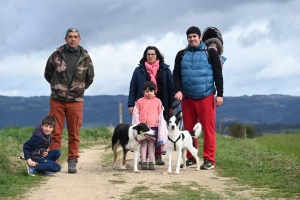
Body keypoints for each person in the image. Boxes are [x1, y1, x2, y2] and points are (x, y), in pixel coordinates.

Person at [44, 28, 95, 173]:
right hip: (57, 100)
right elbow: (48, 74)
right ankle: (52, 162)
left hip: (76, 100)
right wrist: (58, 87)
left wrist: (78, 89)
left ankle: (72, 161)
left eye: (75, 37)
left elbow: (90, 78)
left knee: (74, 133)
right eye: (70, 37)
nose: (73, 39)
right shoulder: (56, 55)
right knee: (55, 132)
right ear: (65, 39)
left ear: (80, 39)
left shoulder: (85, 57)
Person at [173, 26, 224, 170]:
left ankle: (209, 159)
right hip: (187, 98)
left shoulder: (210, 53)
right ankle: (190, 158)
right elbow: (176, 74)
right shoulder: (181, 54)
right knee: (188, 129)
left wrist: (220, 94)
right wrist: (178, 90)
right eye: (189, 37)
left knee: (208, 129)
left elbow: (218, 74)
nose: (192, 39)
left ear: (200, 37)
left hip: (206, 96)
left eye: (194, 36)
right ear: (187, 38)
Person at [128, 46, 175, 165]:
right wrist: (130, 104)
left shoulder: (165, 69)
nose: (150, 56)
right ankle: (144, 157)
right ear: (145, 56)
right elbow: (133, 87)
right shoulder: (139, 70)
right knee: (144, 131)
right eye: (148, 54)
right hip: (143, 104)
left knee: (159, 130)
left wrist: (171, 106)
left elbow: (171, 87)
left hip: (161, 104)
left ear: (157, 55)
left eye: (153, 54)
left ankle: (157, 156)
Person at [131, 81, 168, 170]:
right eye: (147, 91)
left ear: (154, 91)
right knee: (143, 145)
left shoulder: (158, 101)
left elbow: (160, 115)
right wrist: (137, 125)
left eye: (151, 91)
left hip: (153, 126)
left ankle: (151, 162)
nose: (149, 93)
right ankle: (143, 161)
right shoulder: (139, 101)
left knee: (151, 145)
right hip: (143, 128)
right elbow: (136, 114)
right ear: (143, 91)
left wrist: (161, 126)